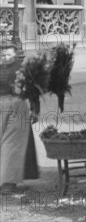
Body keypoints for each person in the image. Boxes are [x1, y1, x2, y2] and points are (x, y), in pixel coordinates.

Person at [1, 41, 38, 195]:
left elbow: (32, 88)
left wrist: (35, 107)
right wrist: (36, 108)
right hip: (15, 105)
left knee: (9, 143)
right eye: (3, 54)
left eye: (8, 54)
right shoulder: (22, 68)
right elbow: (34, 88)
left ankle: (6, 181)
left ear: (15, 54)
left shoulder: (21, 68)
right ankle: (7, 184)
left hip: (11, 104)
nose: (5, 57)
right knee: (13, 144)